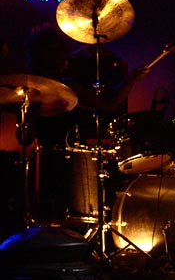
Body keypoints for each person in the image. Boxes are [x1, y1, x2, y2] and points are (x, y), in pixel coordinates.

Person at [22, 23, 149, 223]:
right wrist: (131, 79)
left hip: (61, 165)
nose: (64, 58)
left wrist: (131, 78)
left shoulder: (63, 86)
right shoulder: (31, 91)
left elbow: (106, 105)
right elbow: (107, 105)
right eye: (58, 53)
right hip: (50, 167)